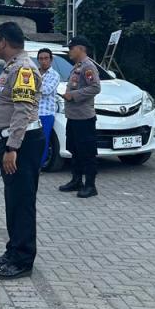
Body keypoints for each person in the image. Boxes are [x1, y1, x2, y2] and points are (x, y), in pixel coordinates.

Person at [0, 21, 44, 280]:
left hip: (23, 143)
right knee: (13, 201)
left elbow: (22, 112)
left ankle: (23, 261)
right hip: (11, 140)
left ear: (3, 41)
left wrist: (12, 148)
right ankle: (13, 251)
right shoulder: (10, 69)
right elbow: (1, 107)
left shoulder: (24, 69)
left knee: (22, 202)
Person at [59, 36, 101, 199]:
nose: (69, 51)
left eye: (71, 48)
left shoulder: (88, 66)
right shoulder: (77, 66)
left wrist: (73, 95)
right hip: (73, 117)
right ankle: (76, 180)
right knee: (75, 150)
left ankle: (90, 185)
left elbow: (95, 87)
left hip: (84, 118)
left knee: (87, 152)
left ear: (81, 49)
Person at [36, 48, 60, 169]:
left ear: (51, 60)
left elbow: (46, 90)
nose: (43, 61)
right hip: (32, 112)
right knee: (31, 140)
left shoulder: (54, 75)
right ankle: (32, 165)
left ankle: (39, 166)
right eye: (41, 58)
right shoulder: (33, 73)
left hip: (46, 113)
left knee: (43, 141)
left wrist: (31, 87)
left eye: (46, 58)